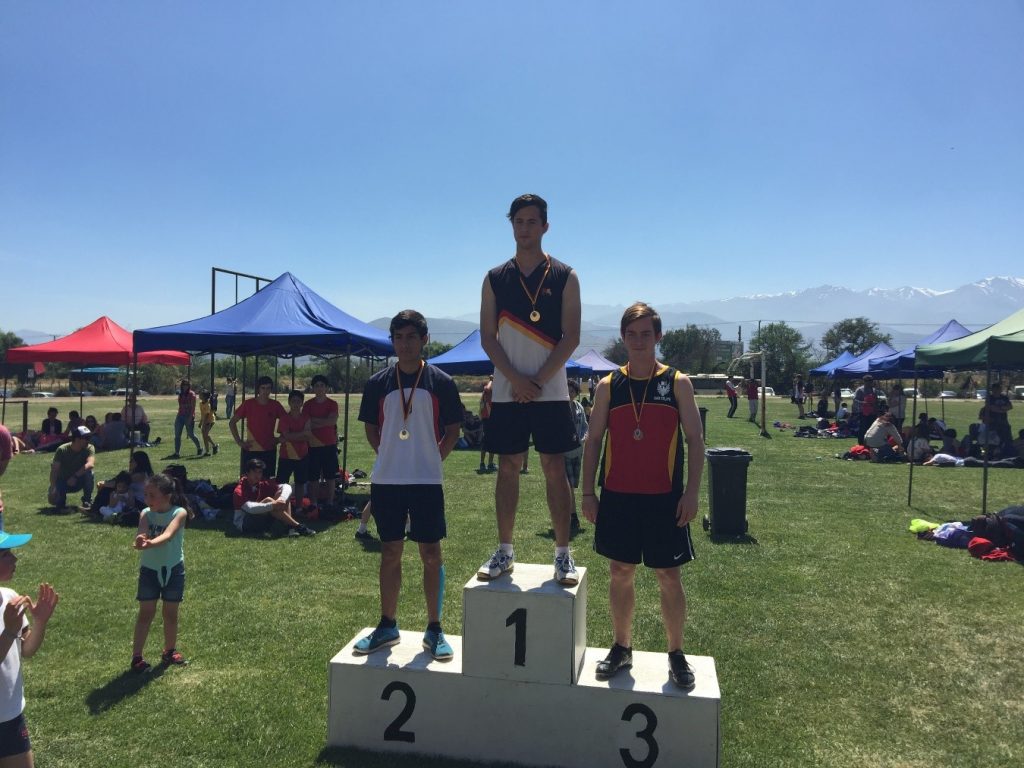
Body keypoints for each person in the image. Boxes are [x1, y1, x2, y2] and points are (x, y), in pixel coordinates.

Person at [580, 302, 705, 690]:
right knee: (620, 571)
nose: (639, 341)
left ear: (658, 336)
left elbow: (695, 440)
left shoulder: (678, 383)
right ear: (623, 337)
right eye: (632, 334)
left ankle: (676, 653)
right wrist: (588, 492)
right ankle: (622, 646)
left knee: (669, 574)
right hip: (618, 496)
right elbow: (593, 440)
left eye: (646, 334)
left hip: (664, 498)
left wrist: (692, 493)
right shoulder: (608, 386)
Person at [477, 193, 582, 585]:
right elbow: (487, 338)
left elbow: (571, 337)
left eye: (532, 221)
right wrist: (516, 379)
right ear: (512, 226)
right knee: (507, 466)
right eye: (518, 221)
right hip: (508, 390)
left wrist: (536, 381)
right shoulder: (494, 278)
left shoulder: (566, 275)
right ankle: (505, 551)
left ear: (545, 226)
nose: (524, 228)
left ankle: (563, 554)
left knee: (554, 467)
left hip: (550, 391)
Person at [354, 310, 462, 658]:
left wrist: (431, 459)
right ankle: (388, 625)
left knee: (431, 554)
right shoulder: (377, 383)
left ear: (424, 339)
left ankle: (435, 628)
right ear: (392, 341)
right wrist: (391, 456)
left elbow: (453, 431)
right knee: (390, 551)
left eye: (411, 337)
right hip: (387, 481)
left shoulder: (441, 382)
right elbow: (372, 429)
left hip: (426, 481)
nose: (405, 344)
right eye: (398, 338)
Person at [0, 530, 59, 768]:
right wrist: (9, 631)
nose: (14, 559)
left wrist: (40, 622)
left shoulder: (9, 598)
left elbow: (27, 649)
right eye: (5, 554)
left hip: (10, 714)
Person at [130, 473, 190, 673]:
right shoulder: (146, 513)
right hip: (150, 570)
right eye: (146, 495)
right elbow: (142, 531)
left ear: (167, 496)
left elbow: (168, 534)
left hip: (174, 570)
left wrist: (149, 544)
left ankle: (169, 651)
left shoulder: (179, 512)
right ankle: (137, 657)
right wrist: (140, 539)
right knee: (146, 613)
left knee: (170, 614)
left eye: (152, 495)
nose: (147, 499)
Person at [232, 458, 314, 537]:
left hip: (261, 519)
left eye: (260, 472)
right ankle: (298, 526)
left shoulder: (261, 483)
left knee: (283, 497)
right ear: (247, 472)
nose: (257, 475)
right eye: (254, 472)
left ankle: (289, 528)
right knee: (269, 500)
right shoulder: (239, 490)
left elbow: (286, 486)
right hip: (245, 524)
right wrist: (273, 505)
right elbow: (251, 509)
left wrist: (282, 499)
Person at [230, 376, 287, 477]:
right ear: (258, 389)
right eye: (263, 388)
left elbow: (287, 422)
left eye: (268, 388)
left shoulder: (275, 405)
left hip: (269, 450)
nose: (265, 391)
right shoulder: (248, 404)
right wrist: (239, 441)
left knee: (266, 481)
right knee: (248, 481)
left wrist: (279, 439)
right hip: (251, 449)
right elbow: (232, 422)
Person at [301, 375, 340, 514]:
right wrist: (324, 421)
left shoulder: (332, 404)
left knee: (330, 476)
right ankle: (314, 502)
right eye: (316, 385)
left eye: (322, 385)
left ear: (326, 388)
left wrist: (314, 421)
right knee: (313, 477)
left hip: (329, 444)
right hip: (312, 444)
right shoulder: (308, 405)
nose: (319, 388)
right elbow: (306, 423)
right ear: (313, 388)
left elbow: (332, 422)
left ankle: (330, 501)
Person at [277, 390, 313, 514]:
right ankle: (282, 507)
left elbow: (308, 436)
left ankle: (298, 508)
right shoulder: (284, 418)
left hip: (303, 455)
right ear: (289, 402)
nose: (296, 404)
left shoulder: (306, 417)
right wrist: (302, 435)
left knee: (300, 483)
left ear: (302, 403)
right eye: (293, 401)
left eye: (298, 401)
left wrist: (290, 436)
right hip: (286, 455)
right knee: (282, 483)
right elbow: (287, 435)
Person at [47, 425, 96, 511]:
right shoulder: (62, 450)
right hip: (62, 482)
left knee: (89, 473)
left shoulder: (89, 448)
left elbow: (90, 464)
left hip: (78, 480)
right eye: (86, 438)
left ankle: (87, 501)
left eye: (89, 437)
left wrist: (75, 476)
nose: (88, 440)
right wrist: (53, 487)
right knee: (53, 502)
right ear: (77, 439)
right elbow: (54, 470)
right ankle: (61, 504)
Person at [565, 379, 588, 534]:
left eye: (572, 391)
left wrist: (584, 438)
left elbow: (585, 426)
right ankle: (572, 517)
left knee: (572, 486)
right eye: (567, 391)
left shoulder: (579, 407)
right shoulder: (560, 409)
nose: (569, 393)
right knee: (568, 486)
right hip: (564, 452)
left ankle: (569, 515)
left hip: (578, 451)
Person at [170, 379, 203, 459]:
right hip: (180, 416)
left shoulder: (192, 394)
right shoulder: (181, 394)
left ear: (189, 386)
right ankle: (177, 453)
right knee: (177, 435)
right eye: (183, 385)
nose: (185, 386)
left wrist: (190, 418)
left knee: (191, 434)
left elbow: (193, 407)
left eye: (186, 385)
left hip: (188, 416)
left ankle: (199, 448)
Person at [852, 375, 883, 446]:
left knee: (872, 428)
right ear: (864, 381)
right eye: (867, 381)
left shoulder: (874, 390)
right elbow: (855, 400)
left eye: (870, 381)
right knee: (863, 428)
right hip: (863, 412)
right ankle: (861, 443)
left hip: (872, 412)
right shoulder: (860, 390)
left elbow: (876, 401)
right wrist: (863, 402)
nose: (869, 383)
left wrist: (877, 407)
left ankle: (870, 442)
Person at [985, 383, 1013, 450]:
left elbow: (1010, 406)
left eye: (998, 389)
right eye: (995, 389)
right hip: (993, 421)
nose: (997, 390)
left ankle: (1007, 448)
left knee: (1007, 436)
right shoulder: (990, 398)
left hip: (1003, 420)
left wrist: (1000, 408)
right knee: (994, 437)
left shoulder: (1004, 397)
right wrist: (1003, 409)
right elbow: (992, 408)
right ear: (993, 389)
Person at [478, 376, 496, 472]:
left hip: (488, 418)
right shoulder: (488, 392)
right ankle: (486, 463)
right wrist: (491, 380)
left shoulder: (487, 394)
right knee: (489, 441)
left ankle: (488, 463)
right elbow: (487, 388)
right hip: (489, 419)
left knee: (488, 441)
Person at [198, 391, 218, 456]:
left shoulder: (207, 404)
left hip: (210, 420)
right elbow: (202, 414)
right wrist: (201, 422)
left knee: (205, 435)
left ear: (205, 397)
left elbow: (207, 415)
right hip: (204, 421)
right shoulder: (201, 403)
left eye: (201, 394)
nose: (199, 395)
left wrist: (203, 424)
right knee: (205, 435)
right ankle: (213, 447)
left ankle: (208, 451)